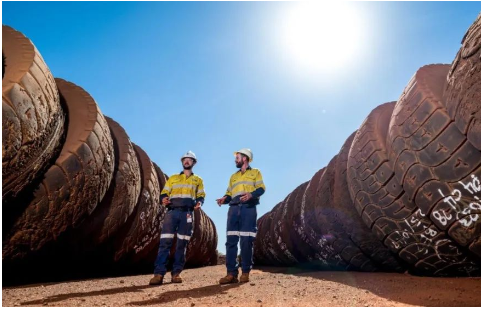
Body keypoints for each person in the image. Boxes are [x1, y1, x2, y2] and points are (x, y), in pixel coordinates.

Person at [149, 151, 205, 285]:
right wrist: (164, 199)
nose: (187, 161)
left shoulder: (198, 180)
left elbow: (201, 195)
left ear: (193, 163)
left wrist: (199, 202)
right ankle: (158, 274)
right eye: (185, 159)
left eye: (189, 159)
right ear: (182, 162)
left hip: (187, 214)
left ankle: (176, 273)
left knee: (182, 244)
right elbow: (164, 193)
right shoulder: (173, 178)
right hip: (172, 213)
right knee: (165, 243)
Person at [216, 148, 265, 284]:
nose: (235, 160)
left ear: (245, 158)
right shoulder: (233, 177)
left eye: (237, 157)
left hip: (248, 209)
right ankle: (231, 274)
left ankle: (245, 272)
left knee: (246, 241)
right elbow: (229, 194)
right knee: (231, 241)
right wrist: (223, 199)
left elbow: (261, 189)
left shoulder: (256, 172)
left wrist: (251, 195)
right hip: (233, 209)